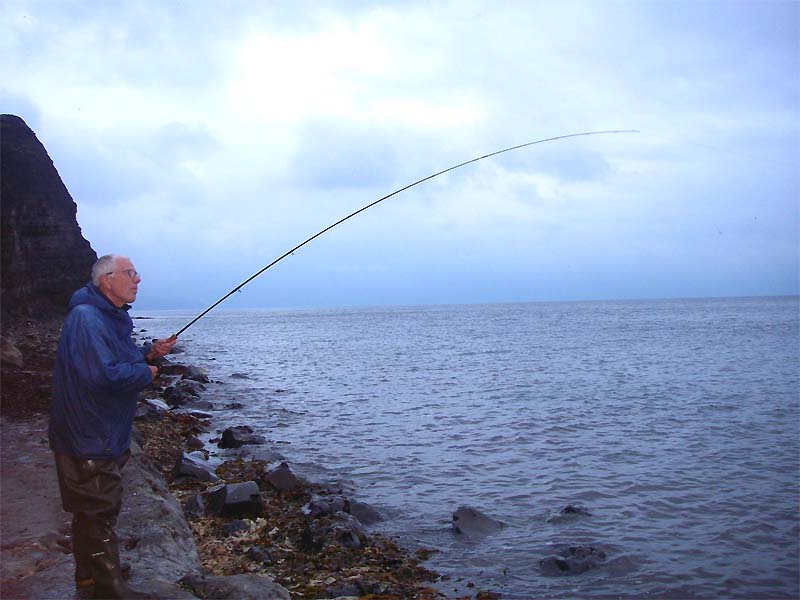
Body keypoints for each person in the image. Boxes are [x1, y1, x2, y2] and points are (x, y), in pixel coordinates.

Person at [49, 254, 176, 599]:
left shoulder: (108, 317)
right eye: (130, 273)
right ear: (107, 280)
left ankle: (88, 579)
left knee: (90, 511)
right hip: (89, 433)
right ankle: (110, 588)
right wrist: (144, 374)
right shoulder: (88, 319)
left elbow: (114, 359)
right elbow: (102, 375)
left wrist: (150, 354)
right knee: (99, 511)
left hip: (97, 430)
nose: (138, 280)